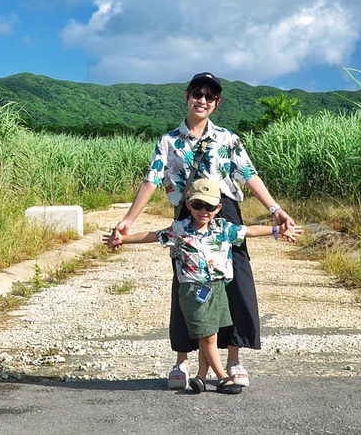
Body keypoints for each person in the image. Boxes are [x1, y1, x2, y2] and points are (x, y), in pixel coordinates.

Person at [113, 71, 297, 390]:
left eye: (209, 96)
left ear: (217, 103)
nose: (202, 100)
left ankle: (234, 359)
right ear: (186, 96)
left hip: (224, 209)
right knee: (187, 284)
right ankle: (182, 361)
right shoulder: (169, 141)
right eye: (197, 94)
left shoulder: (228, 139)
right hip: (188, 209)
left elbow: (249, 174)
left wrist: (275, 209)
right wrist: (128, 220)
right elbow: (152, 179)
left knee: (236, 282)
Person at [106, 178, 302, 394]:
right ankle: (223, 377)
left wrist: (277, 230)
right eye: (198, 205)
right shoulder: (180, 230)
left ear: (218, 208)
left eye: (209, 207)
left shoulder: (224, 228)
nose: (203, 211)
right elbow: (153, 236)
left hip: (218, 288)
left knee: (211, 333)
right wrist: (123, 239)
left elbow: (249, 231)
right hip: (194, 291)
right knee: (207, 335)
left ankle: (200, 376)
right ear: (188, 204)